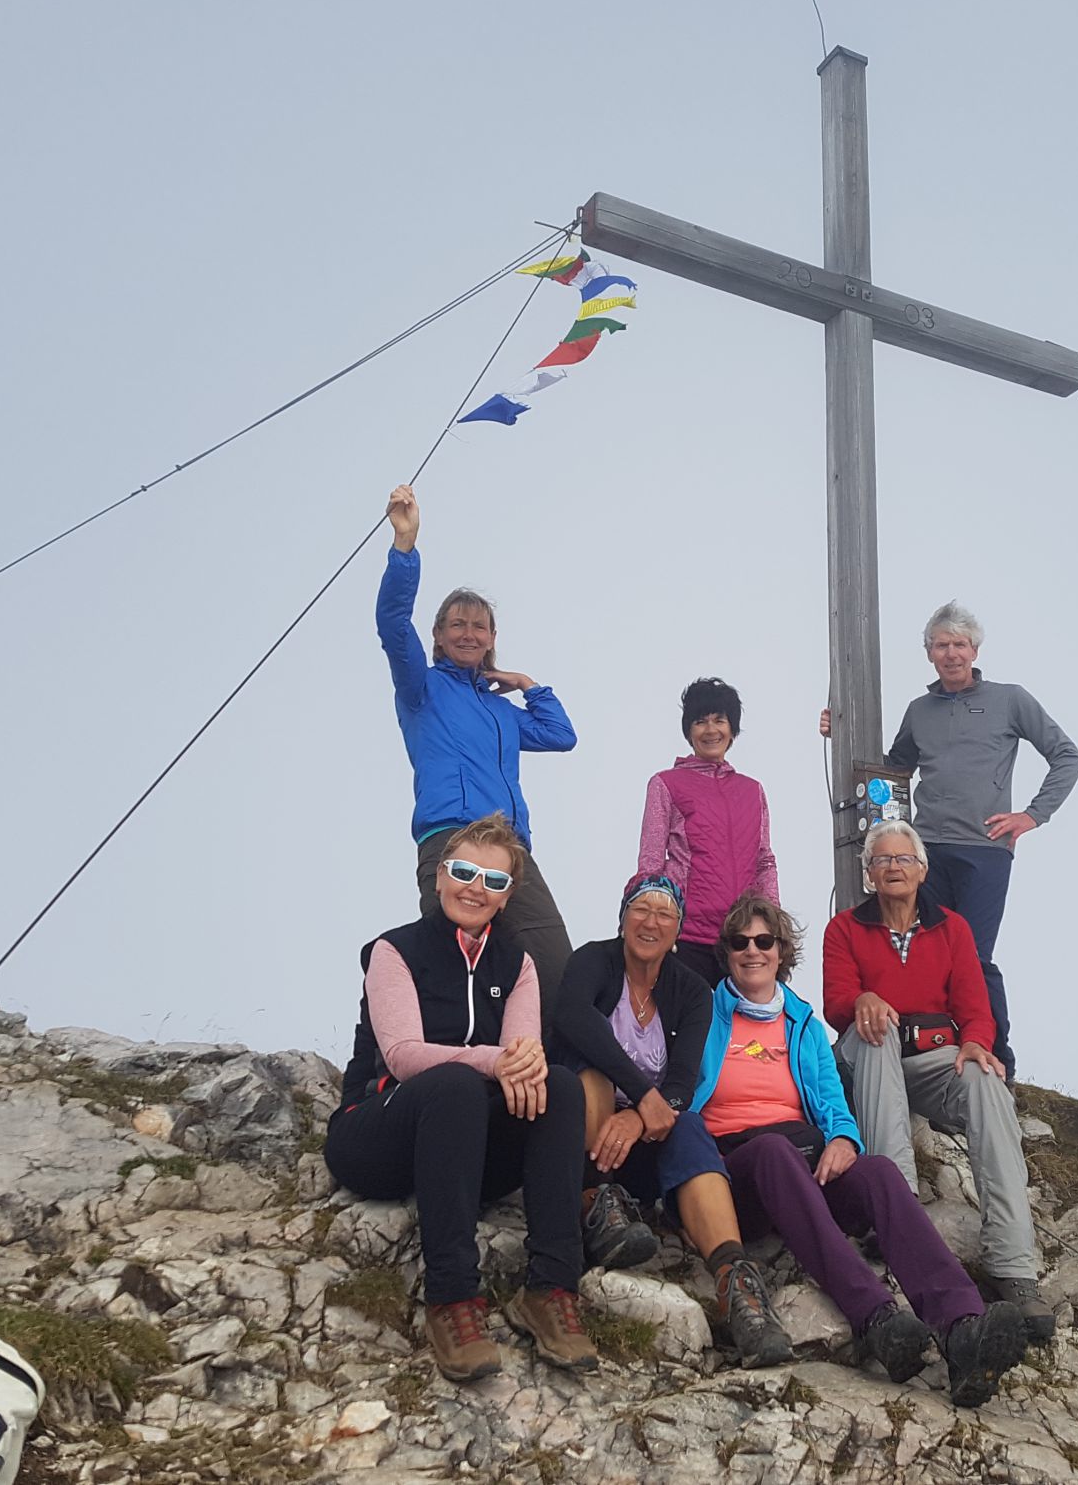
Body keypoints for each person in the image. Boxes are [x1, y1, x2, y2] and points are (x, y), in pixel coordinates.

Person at [692, 895, 1028, 1407]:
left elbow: (830, 1098)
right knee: (773, 1152)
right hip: (735, 1169)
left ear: (782, 952)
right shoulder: (704, 1013)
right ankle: (875, 1317)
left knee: (877, 1173)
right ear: (728, 953)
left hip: (802, 1161)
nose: (752, 951)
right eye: (740, 943)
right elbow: (679, 1089)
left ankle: (963, 1328)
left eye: (765, 941)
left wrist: (845, 1140)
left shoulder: (801, 1023)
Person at [323, 814, 595, 1381]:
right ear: (441, 875)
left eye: (494, 882)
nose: (476, 888)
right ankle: (452, 1302)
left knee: (562, 1088)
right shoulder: (392, 950)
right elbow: (400, 1055)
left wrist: (526, 1063)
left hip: (465, 1152)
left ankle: (551, 1291)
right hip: (379, 1136)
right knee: (455, 1083)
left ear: (507, 897)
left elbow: (521, 1056)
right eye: (465, 871)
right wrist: (494, 1060)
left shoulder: (517, 964)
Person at [820, 601, 1078, 1078]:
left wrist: (1031, 816)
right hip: (927, 851)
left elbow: (1067, 755)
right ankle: (929, 1051)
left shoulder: (1010, 699)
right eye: (942, 645)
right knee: (924, 949)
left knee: (976, 957)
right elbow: (893, 770)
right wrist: (839, 731)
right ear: (929, 654)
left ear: (975, 649)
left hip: (985, 851)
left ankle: (997, 1058)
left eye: (960, 644)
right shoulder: (920, 711)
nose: (952, 653)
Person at [823, 818, 1053, 1343]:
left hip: (931, 1058)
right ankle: (896, 1210)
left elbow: (975, 1005)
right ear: (868, 875)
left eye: (904, 859)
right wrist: (863, 999)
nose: (894, 868)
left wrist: (976, 1042)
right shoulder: (845, 928)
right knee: (875, 1033)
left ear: (923, 870)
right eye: (882, 860)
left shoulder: (951, 927)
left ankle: (1013, 1263)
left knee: (986, 1081)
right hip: (870, 1055)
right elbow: (837, 1003)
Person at [550, 874, 793, 1367]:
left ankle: (736, 1285)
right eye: (641, 909)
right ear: (623, 919)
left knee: (689, 1126)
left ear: (678, 928)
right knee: (591, 1076)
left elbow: (682, 1081)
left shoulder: (689, 990)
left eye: (665, 913)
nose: (651, 921)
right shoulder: (593, 962)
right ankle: (597, 1204)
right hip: (582, 1141)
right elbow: (574, 1020)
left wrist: (642, 1119)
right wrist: (642, 1095)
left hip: (642, 1142)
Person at [377, 484, 578, 1012]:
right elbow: (393, 626)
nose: (469, 633)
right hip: (451, 837)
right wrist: (405, 548)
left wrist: (527, 683)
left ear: (492, 638)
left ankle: (555, 1078)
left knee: (553, 965)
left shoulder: (500, 712)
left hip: (509, 848)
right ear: (439, 637)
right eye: (457, 624)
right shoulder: (421, 690)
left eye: (479, 626)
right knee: (452, 968)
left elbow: (561, 736)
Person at [638, 677, 780, 983]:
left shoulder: (752, 789)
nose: (711, 730)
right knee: (692, 1028)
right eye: (700, 722)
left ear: (732, 730)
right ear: (689, 731)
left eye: (720, 720)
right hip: (686, 936)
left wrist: (772, 922)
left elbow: (764, 860)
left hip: (742, 939)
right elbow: (650, 863)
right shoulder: (666, 783)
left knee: (748, 1030)